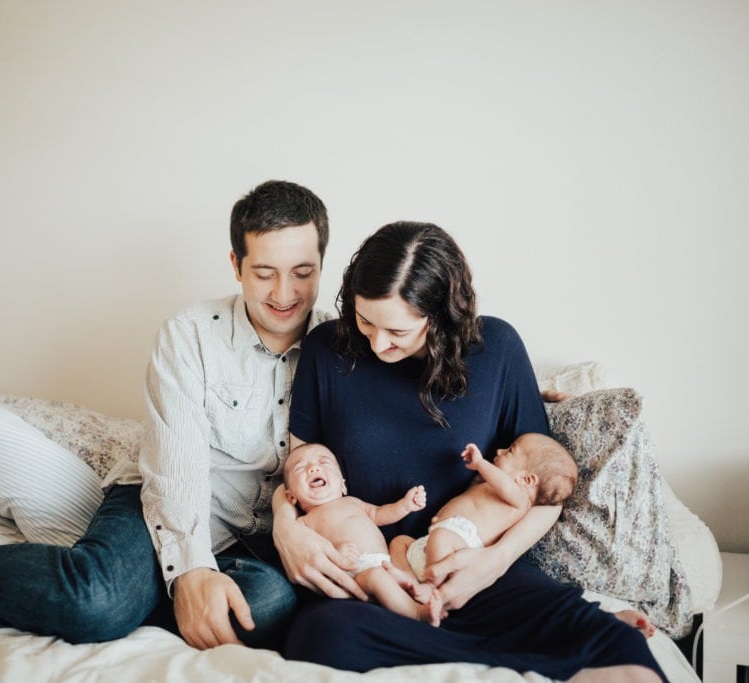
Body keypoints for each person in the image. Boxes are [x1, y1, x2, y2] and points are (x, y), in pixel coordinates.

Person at [0, 179, 346, 651]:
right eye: (265, 273)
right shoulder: (191, 335)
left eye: (303, 272)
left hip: (255, 538)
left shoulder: (340, 347)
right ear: (236, 265)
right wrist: (192, 570)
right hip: (159, 503)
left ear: (322, 261)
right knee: (96, 602)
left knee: (270, 605)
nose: (285, 294)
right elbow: (177, 471)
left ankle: (143, 593)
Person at [272, 221, 665, 681]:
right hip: (378, 578)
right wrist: (286, 528)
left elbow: (544, 497)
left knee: (618, 647)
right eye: (365, 321)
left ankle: (485, 648)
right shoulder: (327, 349)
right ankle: (503, 656)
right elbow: (299, 470)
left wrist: (492, 564)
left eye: (397, 330)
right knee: (321, 637)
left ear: (438, 315)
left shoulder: (496, 349)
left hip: (476, 571)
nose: (377, 344)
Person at [282, 442, 441, 625]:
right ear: (291, 497)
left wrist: (405, 506)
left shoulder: (352, 502)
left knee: (400, 541)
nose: (313, 468)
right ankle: (417, 613)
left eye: (323, 462)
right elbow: (309, 556)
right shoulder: (302, 523)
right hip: (357, 575)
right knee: (376, 577)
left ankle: (413, 583)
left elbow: (379, 514)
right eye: (300, 467)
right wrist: (337, 553)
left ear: (343, 485)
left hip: (387, 563)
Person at [392, 432, 577, 589]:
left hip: (460, 545)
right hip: (432, 541)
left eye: (510, 451)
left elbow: (505, 485)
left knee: (440, 538)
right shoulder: (491, 487)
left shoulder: (519, 499)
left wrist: (481, 463)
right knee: (399, 542)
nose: (500, 451)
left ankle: (431, 589)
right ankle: (408, 580)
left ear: (526, 480)